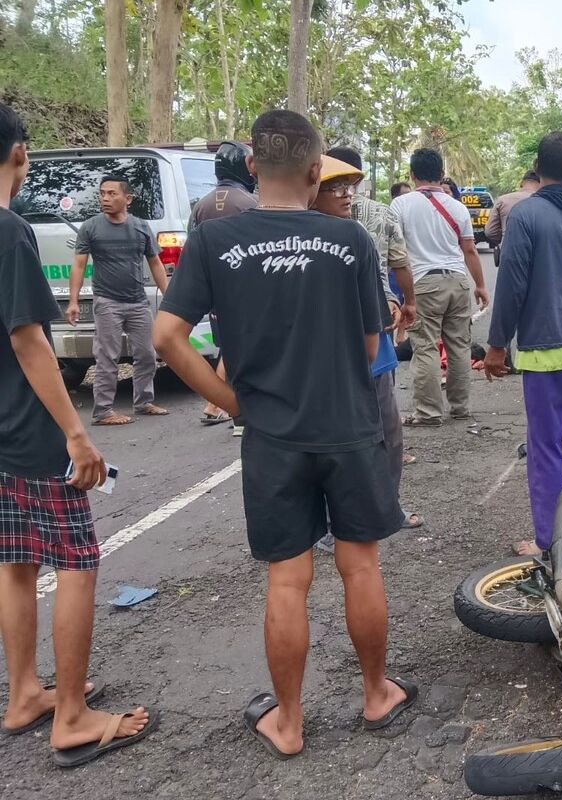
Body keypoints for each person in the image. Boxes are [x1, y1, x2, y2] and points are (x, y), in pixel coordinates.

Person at [153, 110, 416, 759]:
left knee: (288, 581)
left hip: (272, 434)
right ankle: (377, 694)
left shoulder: (215, 241)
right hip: (349, 428)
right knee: (360, 566)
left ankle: (291, 723)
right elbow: (368, 343)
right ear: (311, 171)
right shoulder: (348, 238)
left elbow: (166, 338)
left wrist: (232, 402)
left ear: (250, 167)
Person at [0, 102, 156, 767]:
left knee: (15, 561)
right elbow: (29, 340)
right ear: (20, 154)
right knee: (78, 565)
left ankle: (25, 693)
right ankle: (70, 716)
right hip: (30, 430)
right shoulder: (9, 231)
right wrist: (76, 434)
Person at [482, 132, 562, 556]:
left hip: (545, 354)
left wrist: (497, 345)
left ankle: (551, 542)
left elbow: (512, 286)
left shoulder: (526, 216)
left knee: (545, 449)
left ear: (537, 167)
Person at [322, 146, 422, 535]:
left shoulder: (354, 226)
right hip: (347, 344)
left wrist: (397, 304)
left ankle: (381, 509)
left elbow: (389, 272)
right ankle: (342, 522)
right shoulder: (319, 232)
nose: (347, 193)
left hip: (373, 334)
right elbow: (397, 265)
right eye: (336, 186)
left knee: (386, 431)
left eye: (350, 185)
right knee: (357, 436)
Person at [389, 148, 489, 425]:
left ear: (412, 174)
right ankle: (460, 407)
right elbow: (469, 250)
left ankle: (429, 412)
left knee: (426, 348)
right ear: (441, 174)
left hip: (423, 282)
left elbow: (395, 251)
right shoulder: (457, 207)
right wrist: (480, 285)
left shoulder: (401, 205)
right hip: (457, 281)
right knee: (459, 346)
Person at [67, 176, 170, 425]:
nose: (105, 198)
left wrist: (170, 296)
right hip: (107, 302)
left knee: (147, 353)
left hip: (137, 302)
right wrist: (73, 301)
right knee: (106, 357)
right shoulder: (91, 227)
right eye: (102, 193)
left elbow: (155, 263)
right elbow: (79, 266)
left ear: (128, 198)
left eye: (112, 193)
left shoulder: (140, 226)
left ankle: (144, 402)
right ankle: (103, 411)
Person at [189, 140, 258, 429]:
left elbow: (194, 252)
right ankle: (226, 408)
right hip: (247, 292)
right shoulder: (251, 204)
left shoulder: (200, 206)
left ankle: (217, 405)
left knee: (229, 348)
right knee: (241, 351)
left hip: (216, 293)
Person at [485, 170, 539, 267]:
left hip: (508, 253)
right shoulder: (544, 201)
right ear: (540, 184)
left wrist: (504, 239)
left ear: (521, 183)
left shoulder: (502, 200)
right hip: (537, 256)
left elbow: (490, 231)